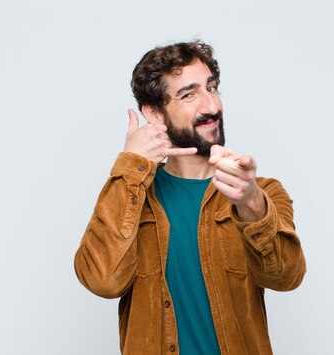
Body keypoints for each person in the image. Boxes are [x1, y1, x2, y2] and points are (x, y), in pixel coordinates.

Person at [74, 40, 306, 355]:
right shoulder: (131, 198)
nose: (211, 106)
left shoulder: (264, 193)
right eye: (189, 94)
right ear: (155, 113)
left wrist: (250, 200)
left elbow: (286, 277)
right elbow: (102, 281)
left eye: (212, 88)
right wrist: (130, 166)